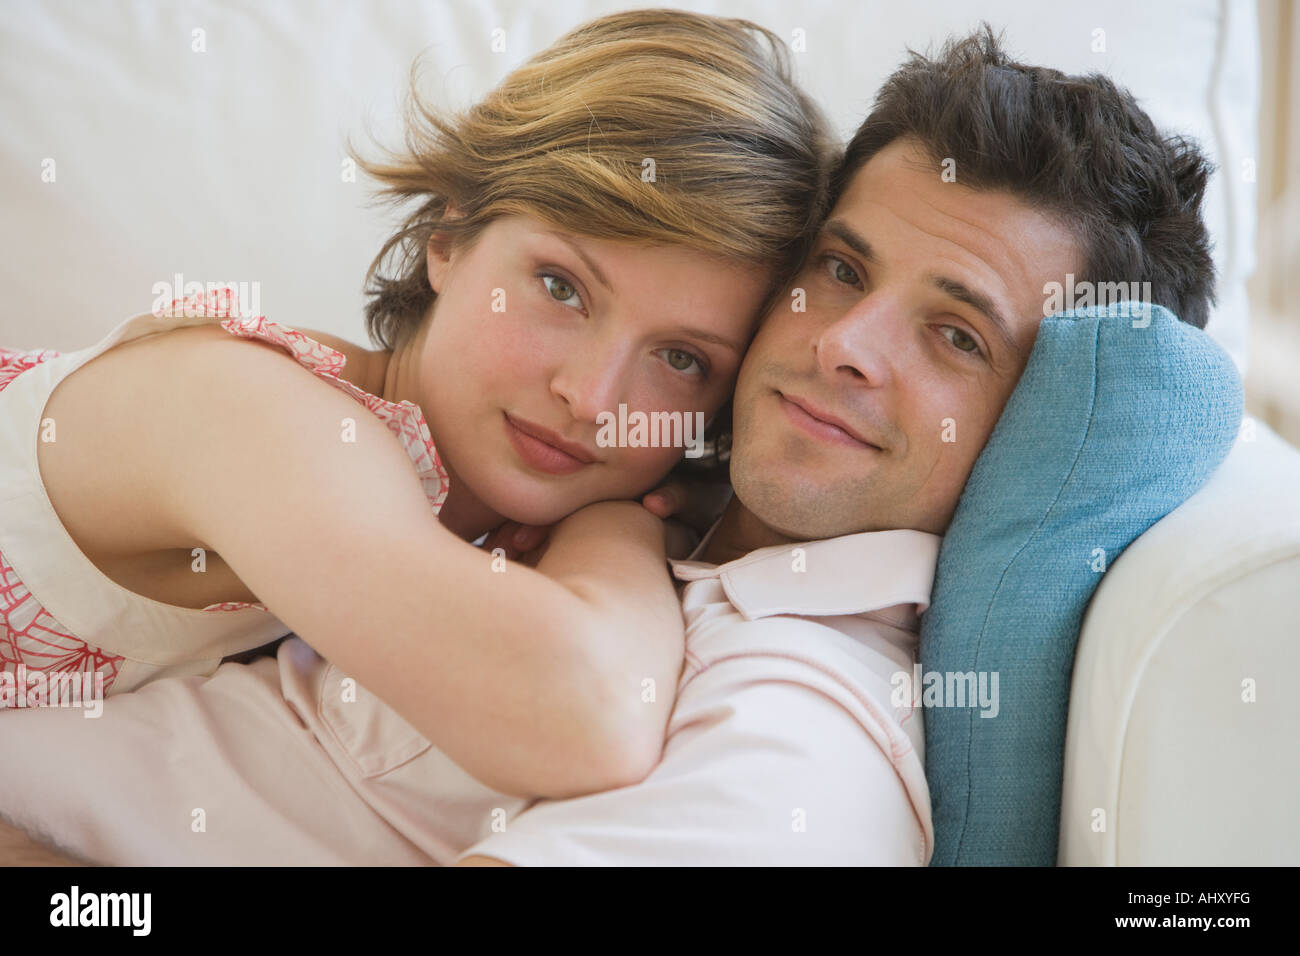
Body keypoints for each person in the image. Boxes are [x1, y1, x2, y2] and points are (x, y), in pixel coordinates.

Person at [0, 25, 1216, 866]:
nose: (594, 397)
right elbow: (572, 697)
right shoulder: (272, 415)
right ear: (447, 228)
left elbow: (585, 700)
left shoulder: (800, 715)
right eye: (839, 269)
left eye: (956, 333)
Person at [0, 8, 833, 802]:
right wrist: (627, 526)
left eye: (681, 359)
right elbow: (589, 718)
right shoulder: (256, 410)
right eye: (560, 287)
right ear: (448, 235)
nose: (592, 397)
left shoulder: (429, 527)